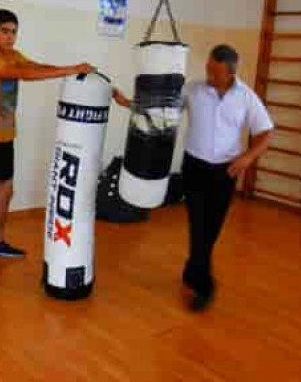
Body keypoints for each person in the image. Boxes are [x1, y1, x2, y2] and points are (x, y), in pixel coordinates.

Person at [112, 44, 272, 311]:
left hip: (226, 172)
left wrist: (247, 157)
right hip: (195, 168)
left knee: (211, 231)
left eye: (215, 71)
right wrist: (128, 103)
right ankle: (203, 286)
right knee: (198, 227)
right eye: (208, 68)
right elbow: (161, 109)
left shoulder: (246, 97)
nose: (209, 75)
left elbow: (265, 132)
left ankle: (192, 269)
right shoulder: (193, 90)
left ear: (231, 73)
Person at [0, 8, 94, 282]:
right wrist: (70, 70)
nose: (10, 37)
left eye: (13, 32)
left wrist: (70, 70)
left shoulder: (13, 56)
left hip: (6, 140)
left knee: (5, 193)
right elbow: (25, 75)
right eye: (4, 31)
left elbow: (34, 67)